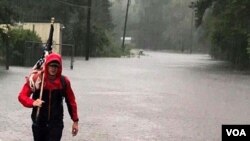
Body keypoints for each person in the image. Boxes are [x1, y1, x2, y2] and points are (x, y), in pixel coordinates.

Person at [18, 53, 79, 141]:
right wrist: (33, 102)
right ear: (47, 65)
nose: (53, 68)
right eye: (51, 65)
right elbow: (21, 96)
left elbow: (71, 101)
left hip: (56, 125)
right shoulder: (36, 80)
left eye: (56, 66)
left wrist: (75, 121)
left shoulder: (64, 82)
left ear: (59, 67)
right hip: (39, 123)